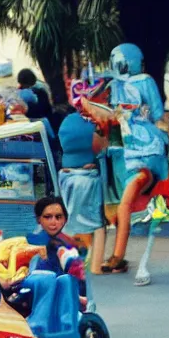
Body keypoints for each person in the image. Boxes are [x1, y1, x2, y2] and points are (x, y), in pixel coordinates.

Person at [83, 44, 169, 275]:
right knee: (123, 204)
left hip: (134, 152)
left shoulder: (119, 85)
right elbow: (157, 114)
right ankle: (117, 256)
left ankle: (117, 256)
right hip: (142, 150)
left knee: (124, 204)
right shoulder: (139, 82)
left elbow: (108, 114)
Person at [20, 197, 88, 338]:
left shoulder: (67, 246)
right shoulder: (28, 241)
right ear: (39, 219)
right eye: (48, 217)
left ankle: (38, 329)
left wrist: (78, 296)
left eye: (58, 217)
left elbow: (77, 275)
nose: (53, 222)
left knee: (50, 279)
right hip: (25, 287)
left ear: (65, 219)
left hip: (57, 292)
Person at [58, 112, 106, 275]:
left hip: (66, 176)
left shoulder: (67, 122)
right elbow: (101, 148)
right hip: (87, 177)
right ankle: (96, 267)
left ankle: (64, 261)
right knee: (98, 224)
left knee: (65, 222)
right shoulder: (92, 125)